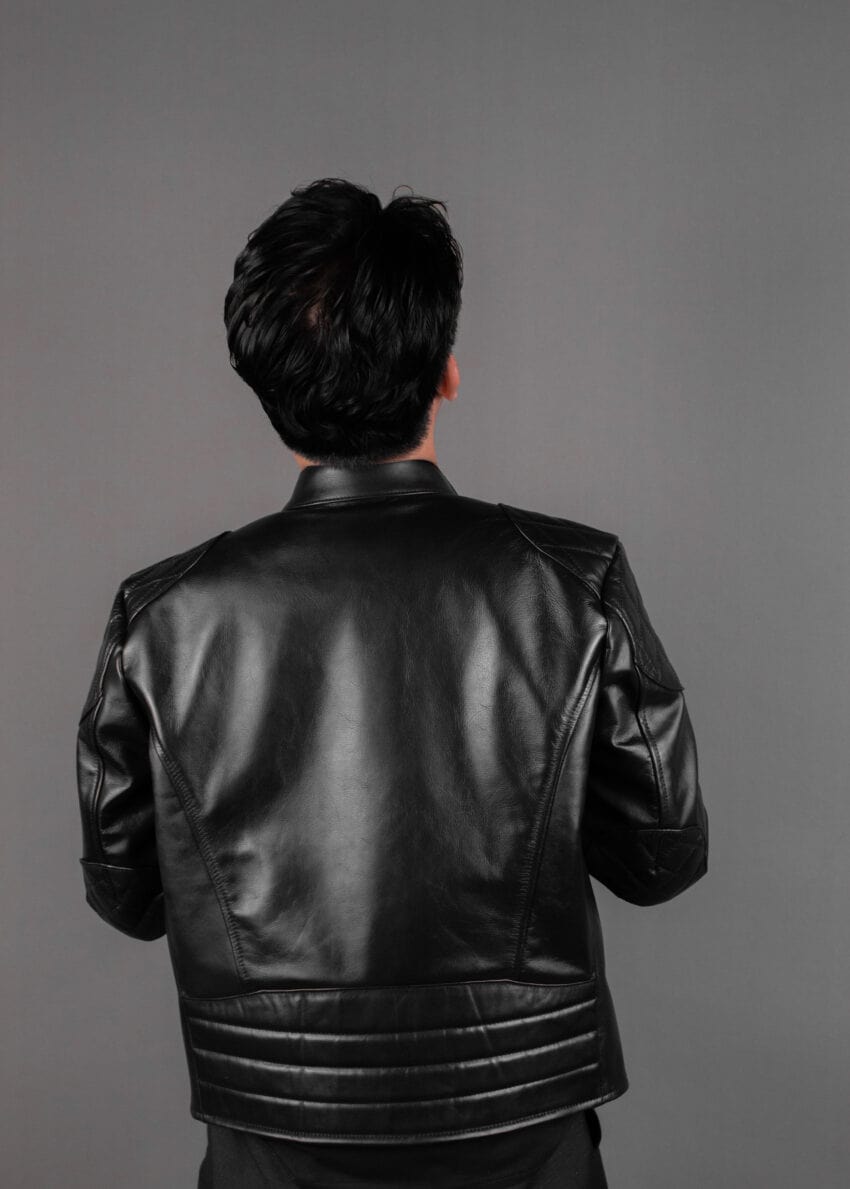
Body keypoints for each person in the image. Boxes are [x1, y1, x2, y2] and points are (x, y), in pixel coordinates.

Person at [75, 177, 709, 1188]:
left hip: (274, 1137)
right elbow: (661, 858)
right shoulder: (572, 579)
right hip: (523, 1128)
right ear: (444, 369)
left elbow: (128, 894)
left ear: (269, 390)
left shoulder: (162, 616)